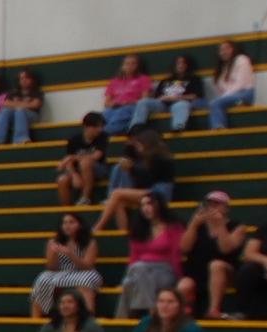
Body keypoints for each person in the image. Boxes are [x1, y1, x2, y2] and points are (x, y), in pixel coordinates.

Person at [177, 190, 249, 320]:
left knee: (216, 265)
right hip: (197, 272)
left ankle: (213, 309)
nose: (212, 207)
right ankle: (182, 316)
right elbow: (184, 248)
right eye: (209, 204)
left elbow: (226, 249)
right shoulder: (198, 226)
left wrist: (221, 225)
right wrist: (193, 224)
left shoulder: (237, 226)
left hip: (226, 271)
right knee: (184, 285)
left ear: (226, 208)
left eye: (217, 204)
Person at [116, 192, 183, 318]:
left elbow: (175, 254)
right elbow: (133, 257)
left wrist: (178, 278)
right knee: (131, 279)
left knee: (132, 279)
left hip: (164, 271)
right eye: (142, 205)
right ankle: (147, 310)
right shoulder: (137, 229)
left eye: (149, 204)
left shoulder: (173, 227)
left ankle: (125, 318)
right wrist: (126, 277)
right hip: (140, 271)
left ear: (159, 205)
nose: (146, 208)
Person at [99, 127, 176, 235]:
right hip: (150, 189)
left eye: (139, 145)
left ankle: (97, 228)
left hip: (160, 192)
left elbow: (149, 180)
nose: (138, 148)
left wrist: (131, 169)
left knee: (116, 193)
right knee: (118, 203)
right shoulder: (147, 158)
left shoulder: (160, 158)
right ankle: (123, 233)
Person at [31, 212, 101, 318]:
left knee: (86, 280)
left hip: (82, 271)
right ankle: (37, 317)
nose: (67, 226)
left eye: (71, 222)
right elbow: (51, 267)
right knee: (42, 279)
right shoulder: (53, 242)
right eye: (64, 223)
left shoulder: (90, 242)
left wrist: (71, 254)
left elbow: (87, 266)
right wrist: (54, 254)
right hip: (60, 272)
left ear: (80, 225)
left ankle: (88, 318)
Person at [134, 54, 200, 132]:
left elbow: (195, 96)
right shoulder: (166, 80)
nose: (180, 65)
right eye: (178, 63)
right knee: (143, 102)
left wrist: (175, 98)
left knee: (181, 105)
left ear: (188, 65)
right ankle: (136, 127)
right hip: (163, 105)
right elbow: (157, 97)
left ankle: (178, 127)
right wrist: (163, 98)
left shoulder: (194, 79)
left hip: (180, 103)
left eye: (183, 63)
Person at [55, 112, 109, 206]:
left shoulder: (103, 137)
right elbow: (69, 162)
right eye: (96, 127)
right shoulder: (74, 140)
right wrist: (74, 175)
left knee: (86, 162)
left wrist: (72, 158)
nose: (99, 130)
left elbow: (96, 156)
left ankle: (85, 198)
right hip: (78, 169)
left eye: (101, 126)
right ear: (86, 127)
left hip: (98, 169)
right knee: (62, 180)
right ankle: (67, 212)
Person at [207, 40, 255, 129]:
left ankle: (219, 127)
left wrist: (224, 97)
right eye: (221, 50)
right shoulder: (223, 68)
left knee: (216, 103)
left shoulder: (242, 59)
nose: (223, 52)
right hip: (231, 96)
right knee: (212, 103)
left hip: (245, 93)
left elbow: (241, 84)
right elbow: (221, 89)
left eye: (226, 49)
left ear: (233, 49)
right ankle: (237, 104)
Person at [100, 55, 151, 134]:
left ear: (138, 66)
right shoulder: (114, 81)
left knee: (121, 112)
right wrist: (113, 104)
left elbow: (145, 99)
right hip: (115, 107)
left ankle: (106, 132)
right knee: (104, 114)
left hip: (132, 106)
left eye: (133, 64)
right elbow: (106, 103)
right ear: (122, 66)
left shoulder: (143, 79)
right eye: (127, 64)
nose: (130, 66)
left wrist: (129, 102)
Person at [0, 69, 44, 145]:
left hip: (32, 116)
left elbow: (35, 105)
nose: (24, 80)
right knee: (5, 111)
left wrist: (16, 104)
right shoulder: (14, 92)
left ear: (32, 80)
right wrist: (25, 104)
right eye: (21, 78)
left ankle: (20, 139)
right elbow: (5, 104)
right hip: (15, 115)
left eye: (26, 78)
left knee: (20, 111)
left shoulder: (36, 92)